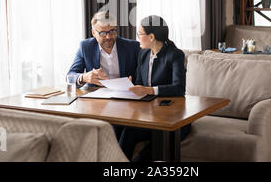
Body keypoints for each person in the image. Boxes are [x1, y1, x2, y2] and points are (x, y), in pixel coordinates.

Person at [118, 15, 190, 162]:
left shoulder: (175, 55)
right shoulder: (143, 54)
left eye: (139, 34)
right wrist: (131, 87)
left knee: (154, 148)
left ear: (151, 37)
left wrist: (149, 90)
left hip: (174, 117)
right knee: (128, 132)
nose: (137, 37)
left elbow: (179, 88)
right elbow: (140, 83)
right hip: (149, 116)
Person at [66, 11, 141, 139]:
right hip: (98, 103)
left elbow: (144, 76)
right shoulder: (86, 47)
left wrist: (136, 81)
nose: (108, 37)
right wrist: (84, 77)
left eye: (112, 31)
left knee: (120, 129)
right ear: (94, 33)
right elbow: (70, 76)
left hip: (127, 101)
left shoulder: (132, 46)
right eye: (102, 33)